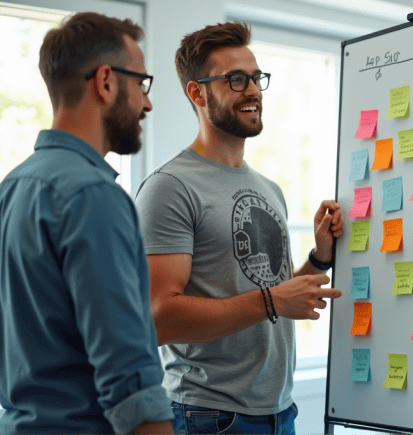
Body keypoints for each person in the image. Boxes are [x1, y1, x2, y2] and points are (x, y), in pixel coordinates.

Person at [133, 21, 342, 435]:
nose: (253, 90)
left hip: (281, 413)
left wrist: (319, 259)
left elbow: (272, 298)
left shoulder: (269, 189)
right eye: (236, 80)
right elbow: (158, 318)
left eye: (256, 78)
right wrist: (271, 301)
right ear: (197, 92)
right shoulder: (169, 188)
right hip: (210, 417)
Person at [0, 12, 173, 434]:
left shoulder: (7, 193)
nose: (147, 102)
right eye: (142, 83)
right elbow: (130, 381)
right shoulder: (93, 197)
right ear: (105, 81)